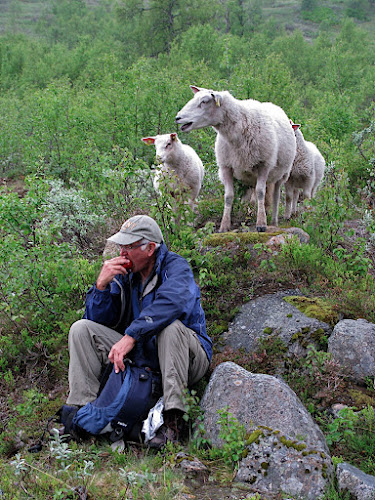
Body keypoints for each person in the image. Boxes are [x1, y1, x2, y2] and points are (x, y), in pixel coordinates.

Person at [66, 214, 212, 448]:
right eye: (120, 246)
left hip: (187, 357)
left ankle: (173, 421)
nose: (121, 253)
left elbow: (171, 304)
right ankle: (81, 415)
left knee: (171, 328)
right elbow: (99, 321)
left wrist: (131, 335)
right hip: (144, 355)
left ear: (150, 248)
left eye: (128, 247)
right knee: (81, 329)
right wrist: (101, 286)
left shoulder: (176, 267)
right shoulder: (126, 275)